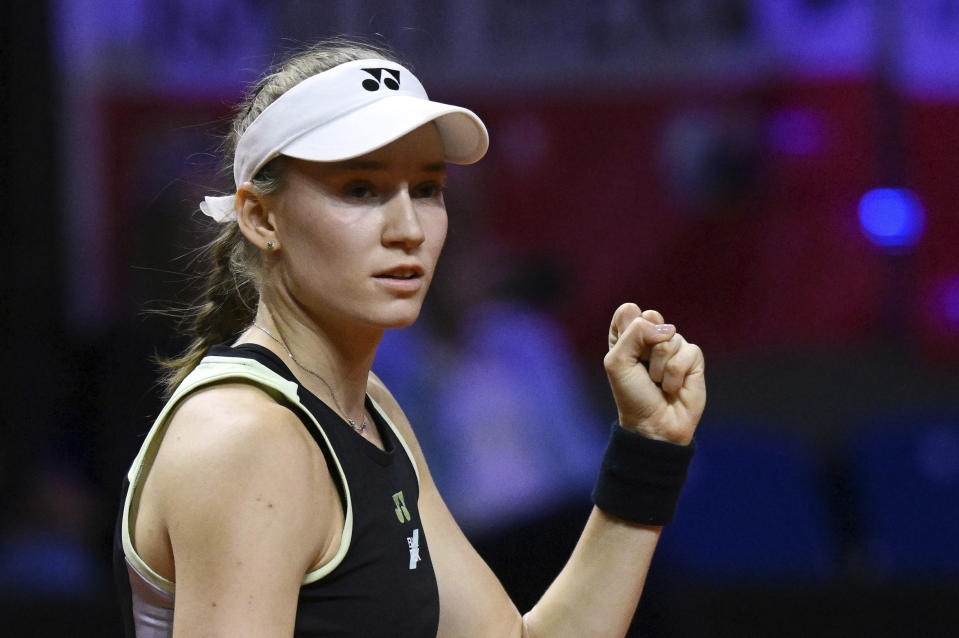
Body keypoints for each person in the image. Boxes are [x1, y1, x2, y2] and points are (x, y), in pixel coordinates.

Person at [113, 39, 706, 638]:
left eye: (426, 189)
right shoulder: (248, 437)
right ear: (262, 218)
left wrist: (649, 445)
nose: (408, 229)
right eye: (362, 190)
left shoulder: (370, 408)